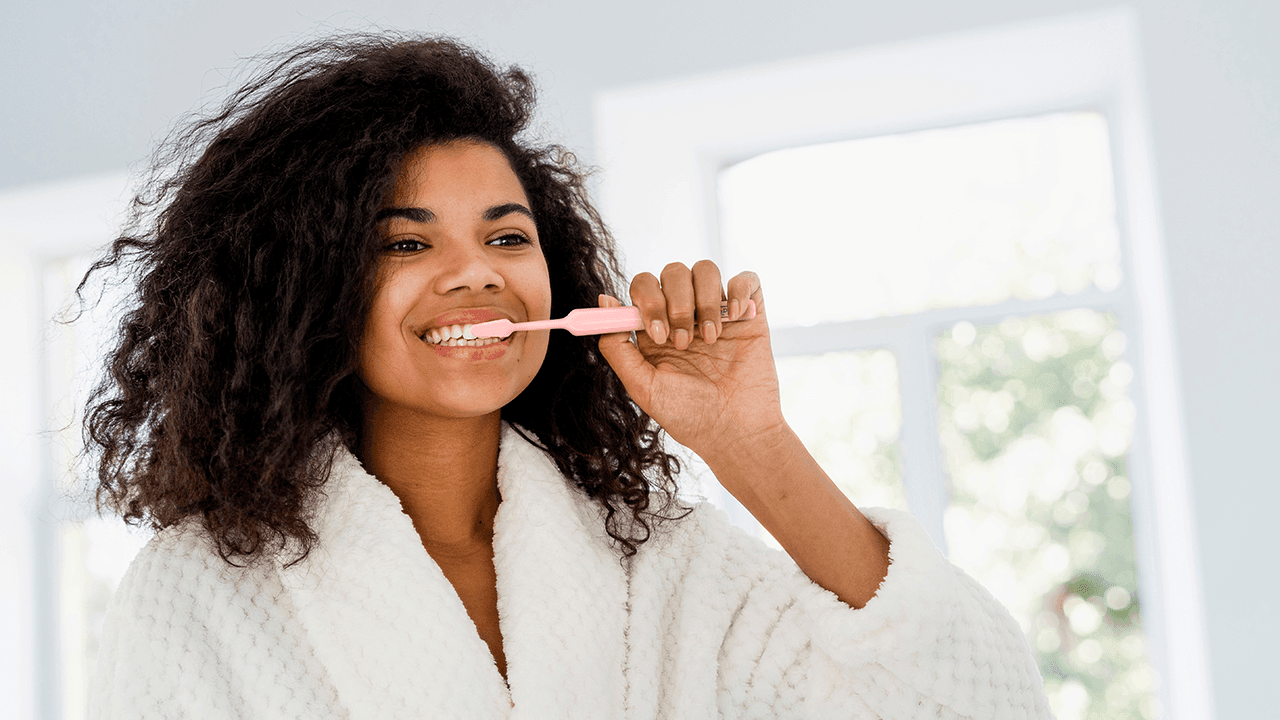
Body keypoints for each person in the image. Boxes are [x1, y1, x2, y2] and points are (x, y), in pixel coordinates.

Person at [79, 32, 1054, 718]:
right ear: (303, 291)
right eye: (406, 242)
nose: (476, 272)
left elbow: (970, 701)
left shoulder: (657, 563)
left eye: (508, 236)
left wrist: (749, 441)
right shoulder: (197, 596)